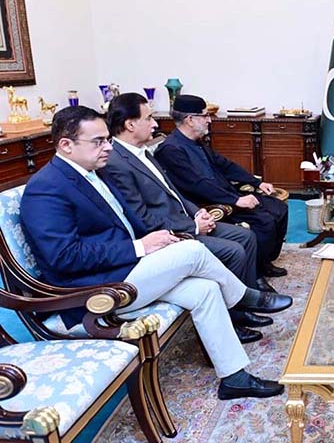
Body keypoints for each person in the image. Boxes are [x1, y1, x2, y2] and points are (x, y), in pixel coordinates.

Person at [19, 105, 293, 399]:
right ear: (66, 145)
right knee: (192, 251)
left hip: (126, 269)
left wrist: (158, 239)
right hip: (91, 292)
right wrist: (141, 246)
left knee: (205, 289)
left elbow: (127, 221)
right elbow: (64, 257)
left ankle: (234, 378)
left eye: (108, 139)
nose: (108, 147)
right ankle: (246, 296)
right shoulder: (46, 188)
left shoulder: (93, 172)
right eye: (98, 141)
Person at [101, 92, 274, 343]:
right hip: (167, 234)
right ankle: (230, 323)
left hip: (185, 219)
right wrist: (192, 226)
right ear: (130, 124)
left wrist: (197, 212)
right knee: (233, 250)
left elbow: (174, 192)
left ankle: (241, 309)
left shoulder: (143, 152)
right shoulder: (117, 162)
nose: (155, 123)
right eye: (149, 118)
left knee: (246, 236)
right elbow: (142, 218)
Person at [155, 95, 288, 280]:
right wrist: (236, 200)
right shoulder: (171, 150)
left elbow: (224, 165)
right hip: (208, 203)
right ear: (190, 120)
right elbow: (197, 185)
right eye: (205, 115)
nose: (209, 119)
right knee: (264, 220)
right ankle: (255, 273)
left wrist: (256, 182)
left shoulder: (196, 141)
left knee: (279, 208)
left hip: (226, 194)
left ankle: (264, 261)